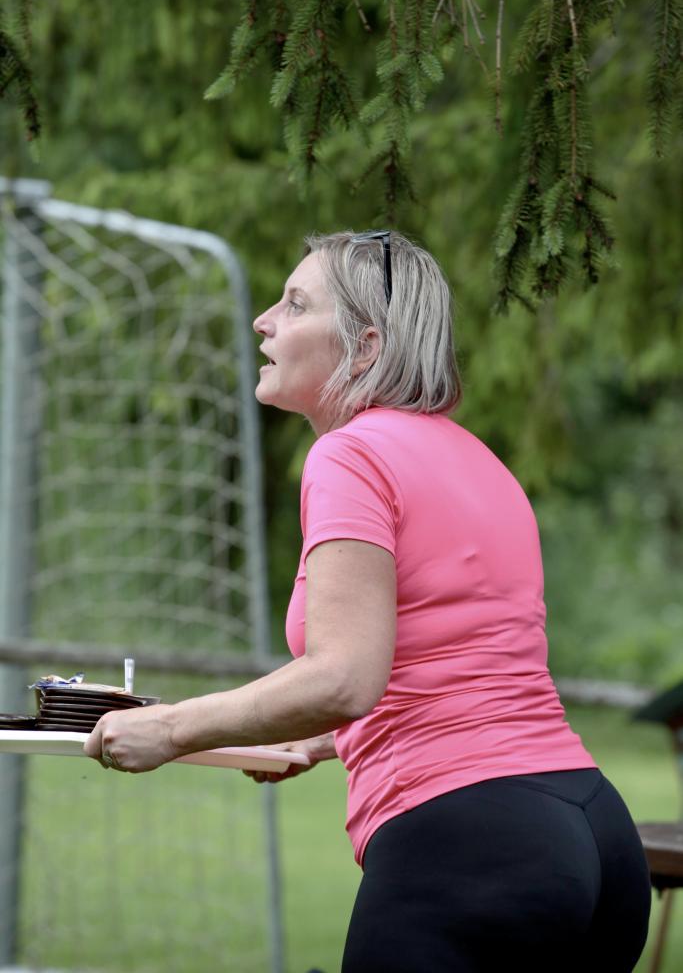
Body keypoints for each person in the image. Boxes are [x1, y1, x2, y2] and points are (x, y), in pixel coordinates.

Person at [85, 231, 652, 972]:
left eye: (295, 305)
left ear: (365, 348)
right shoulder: (478, 457)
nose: (263, 321)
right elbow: (452, 669)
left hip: (472, 844)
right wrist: (322, 740)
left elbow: (344, 678)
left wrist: (170, 728)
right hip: (596, 836)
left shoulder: (347, 455)